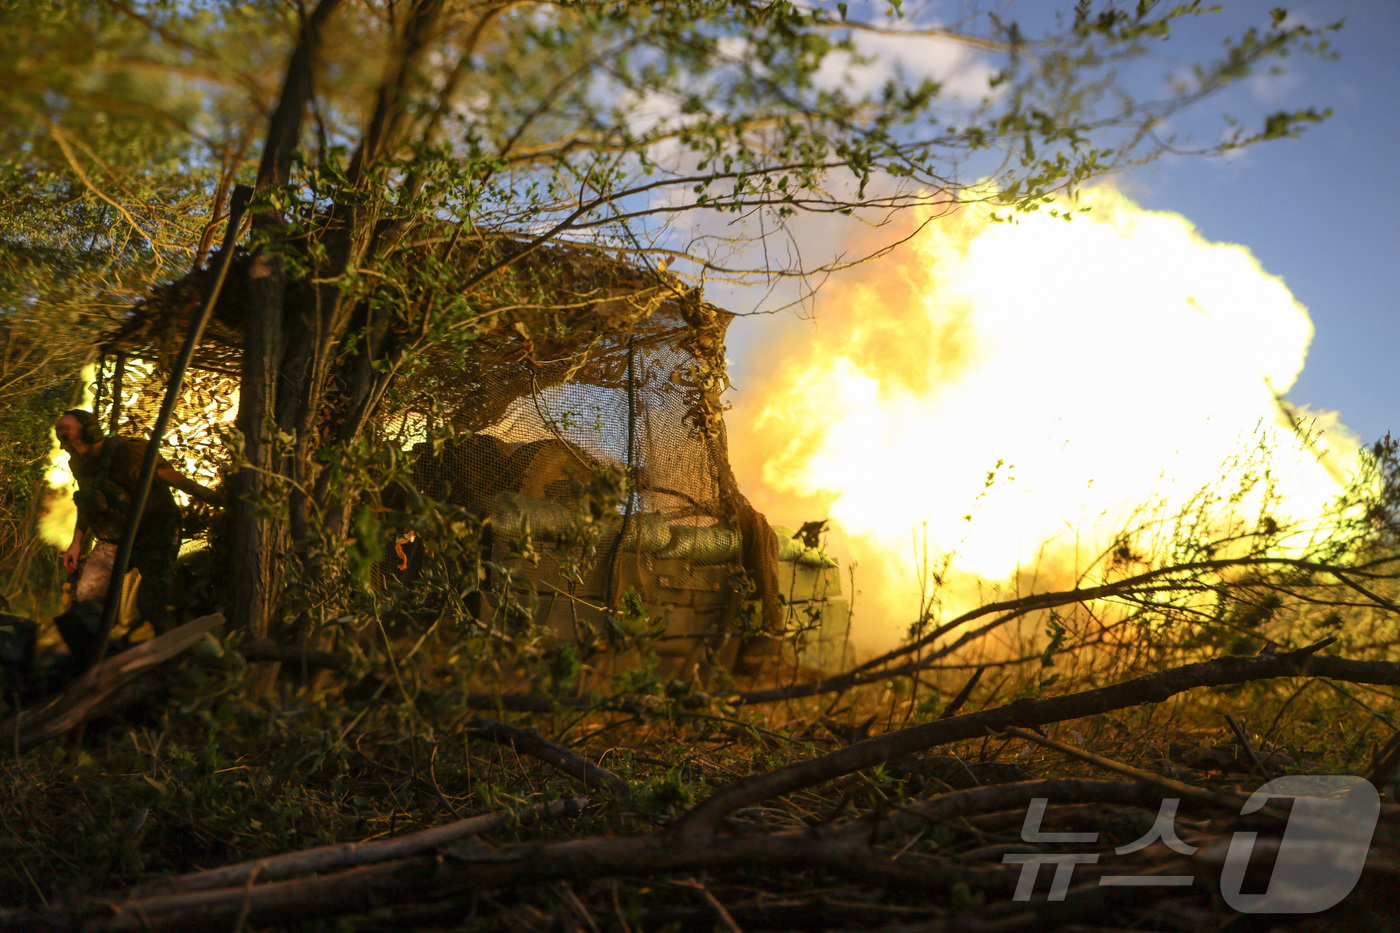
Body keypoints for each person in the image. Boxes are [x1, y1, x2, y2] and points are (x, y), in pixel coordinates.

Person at [53, 409, 218, 667]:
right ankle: (105, 662)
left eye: (67, 429)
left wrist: (209, 497)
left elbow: (169, 475)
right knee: (86, 596)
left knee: (151, 602)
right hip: (115, 537)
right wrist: (76, 542)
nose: (61, 435)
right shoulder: (78, 463)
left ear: (89, 430)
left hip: (156, 532)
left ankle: (178, 664)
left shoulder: (128, 452)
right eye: (59, 430)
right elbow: (88, 503)